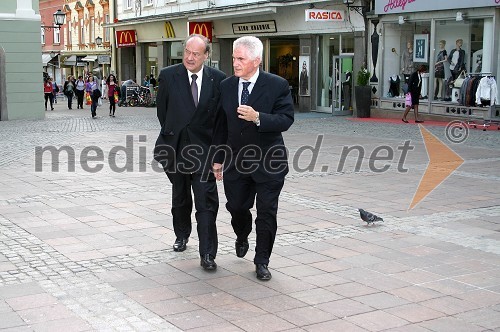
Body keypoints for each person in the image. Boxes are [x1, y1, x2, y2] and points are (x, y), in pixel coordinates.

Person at [212, 36, 294, 281]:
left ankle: (262, 261)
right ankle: (242, 234)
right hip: (237, 161)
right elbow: (220, 126)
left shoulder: (277, 85)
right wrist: (218, 158)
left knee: (267, 212)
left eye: (241, 59)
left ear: (256, 61)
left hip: (270, 161)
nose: (235, 63)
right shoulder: (226, 86)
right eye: (234, 58)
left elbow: (286, 119)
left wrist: (258, 117)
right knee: (236, 206)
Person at [153, 34, 226, 271]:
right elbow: (162, 113)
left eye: (196, 54)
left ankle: (207, 253)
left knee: (206, 202)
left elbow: (219, 121)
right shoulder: (168, 75)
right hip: (176, 149)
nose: (189, 57)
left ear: (206, 56)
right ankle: (182, 234)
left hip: (204, 152)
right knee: (180, 197)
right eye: (187, 51)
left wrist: (217, 157)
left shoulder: (218, 80)